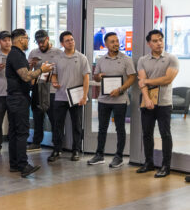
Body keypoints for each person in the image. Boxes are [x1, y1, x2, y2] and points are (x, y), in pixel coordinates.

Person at [6, 28, 53, 177]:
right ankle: (23, 165)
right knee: (21, 132)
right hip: (19, 99)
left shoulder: (16, 55)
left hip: (15, 98)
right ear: (21, 40)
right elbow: (26, 77)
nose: (28, 42)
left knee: (14, 132)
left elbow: (23, 76)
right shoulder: (16, 54)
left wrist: (30, 66)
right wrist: (42, 70)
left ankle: (14, 164)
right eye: (26, 38)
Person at [87, 32, 136, 168]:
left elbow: (132, 77)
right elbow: (96, 76)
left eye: (117, 41)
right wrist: (99, 76)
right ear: (106, 44)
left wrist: (120, 89)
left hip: (120, 100)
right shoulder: (102, 60)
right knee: (102, 128)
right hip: (104, 100)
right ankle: (99, 155)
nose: (115, 44)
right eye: (112, 42)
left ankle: (118, 156)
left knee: (120, 128)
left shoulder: (126, 59)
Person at [136, 29, 179, 178]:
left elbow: (167, 79)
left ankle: (166, 166)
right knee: (147, 134)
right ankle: (149, 163)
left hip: (164, 103)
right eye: (155, 40)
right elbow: (141, 82)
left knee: (165, 134)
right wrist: (147, 99)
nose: (159, 43)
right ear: (149, 43)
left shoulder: (171, 58)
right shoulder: (142, 60)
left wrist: (147, 81)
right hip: (147, 102)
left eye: (160, 39)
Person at [48, 31, 90, 163]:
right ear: (62, 43)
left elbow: (86, 78)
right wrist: (54, 82)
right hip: (60, 96)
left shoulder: (82, 58)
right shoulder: (57, 58)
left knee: (76, 125)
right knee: (57, 125)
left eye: (72, 39)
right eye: (67, 40)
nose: (71, 42)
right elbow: (54, 74)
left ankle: (76, 150)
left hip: (76, 97)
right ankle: (57, 149)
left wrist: (84, 95)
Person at [27, 29, 63, 152]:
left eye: (42, 42)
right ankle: (36, 142)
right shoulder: (33, 52)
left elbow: (61, 70)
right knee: (37, 117)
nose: (40, 44)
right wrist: (31, 65)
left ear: (48, 39)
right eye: (38, 42)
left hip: (52, 90)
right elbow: (28, 72)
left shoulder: (58, 52)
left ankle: (57, 144)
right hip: (38, 88)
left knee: (54, 118)